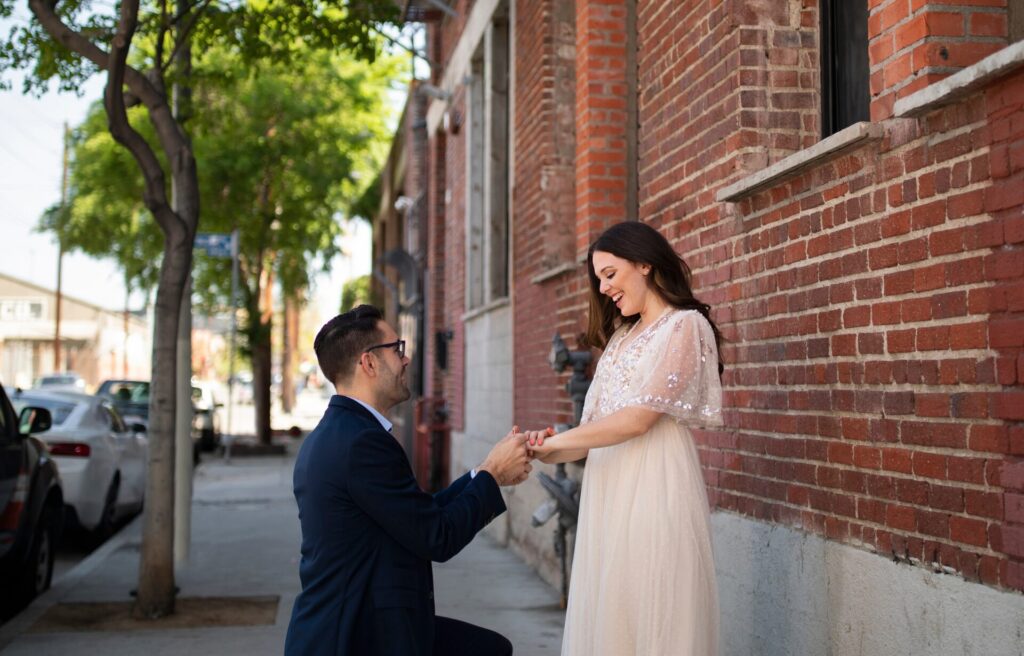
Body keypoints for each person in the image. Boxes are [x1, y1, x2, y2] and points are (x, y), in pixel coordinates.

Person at [284, 305, 533, 656]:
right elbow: (437, 536)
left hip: (371, 622)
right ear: (368, 363)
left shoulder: (345, 434)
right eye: (397, 349)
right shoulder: (361, 444)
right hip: (356, 636)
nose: (406, 359)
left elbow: (419, 513)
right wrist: (493, 475)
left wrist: (487, 471)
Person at [528, 221, 724, 656]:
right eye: (598, 279)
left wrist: (561, 442)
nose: (604, 288)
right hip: (608, 491)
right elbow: (591, 432)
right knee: (613, 617)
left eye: (610, 274)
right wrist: (545, 448)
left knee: (655, 610)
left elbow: (637, 421)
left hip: (654, 486)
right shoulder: (619, 338)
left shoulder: (683, 326)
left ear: (644, 263)